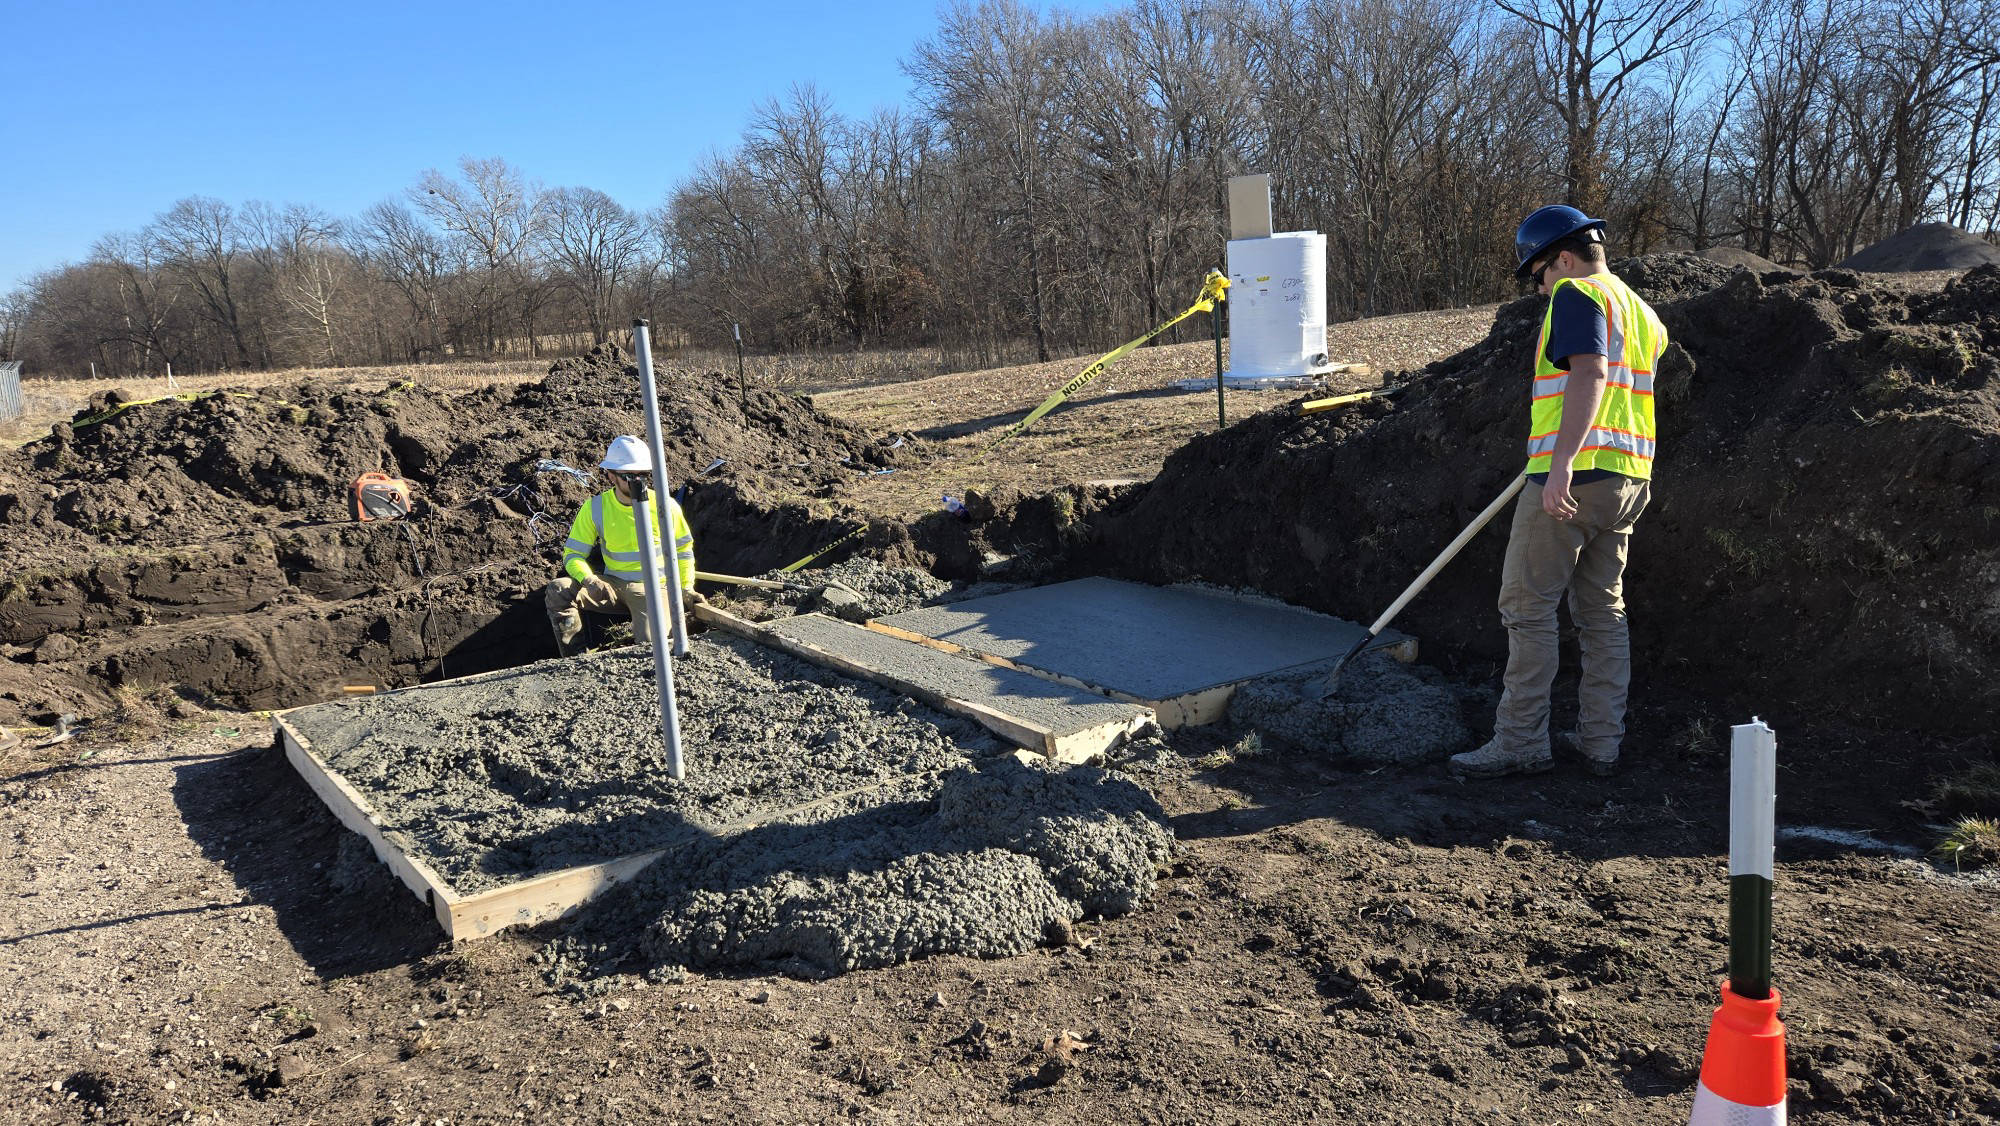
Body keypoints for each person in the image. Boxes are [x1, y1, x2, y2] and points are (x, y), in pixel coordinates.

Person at [1449, 206, 1668, 780]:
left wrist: (1562, 463)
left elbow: (1590, 374)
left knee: (1526, 607)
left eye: (1539, 273)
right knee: (1602, 612)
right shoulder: (1640, 311)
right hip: (1629, 478)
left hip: (1572, 478)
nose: (1541, 287)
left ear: (1563, 258)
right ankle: (1601, 743)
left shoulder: (1577, 295)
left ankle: (1519, 741)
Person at [545, 436, 700, 657]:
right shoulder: (596, 508)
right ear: (610, 475)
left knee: (652, 646)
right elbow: (573, 554)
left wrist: (686, 588)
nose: (637, 482)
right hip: (612, 585)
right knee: (558, 590)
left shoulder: (665, 506)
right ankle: (576, 660)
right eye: (628, 476)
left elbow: (683, 552)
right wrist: (590, 580)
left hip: (656, 588)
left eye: (642, 475)